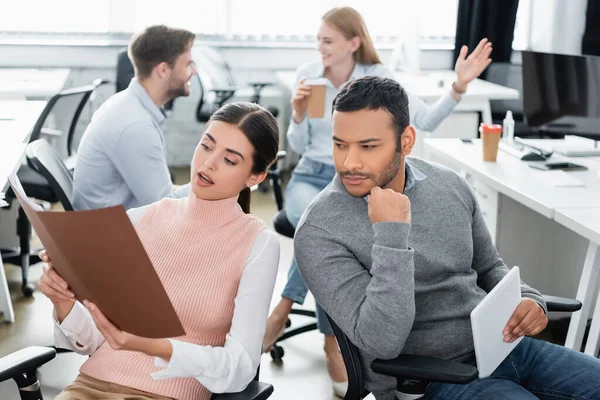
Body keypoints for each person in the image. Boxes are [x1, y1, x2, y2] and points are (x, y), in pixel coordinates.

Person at [294, 75, 600, 400]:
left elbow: (490, 268)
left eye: (368, 146)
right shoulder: (319, 229)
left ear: (406, 141)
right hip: (433, 377)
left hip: (505, 348)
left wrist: (529, 300)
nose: (349, 162)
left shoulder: (449, 185)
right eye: (340, 144)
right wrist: (391, 234)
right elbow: (381, 341)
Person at [263, 6, 493, 395]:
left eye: (329, 40)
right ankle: (332, 335)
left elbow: (427, 121)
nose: (321, 47)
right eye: (318, 40)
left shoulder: (380, 82)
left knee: (331, 234)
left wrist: (458, 87)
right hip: (315, 173)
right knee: (317, 226)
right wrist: (298, 116)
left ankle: (289, 310)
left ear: (354, 43)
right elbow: (299, 148)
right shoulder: (309, 77)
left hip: (369, 178)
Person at [40, 102, 281, 400]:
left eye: (229, 160)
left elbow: (240, 368)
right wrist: (61, 300)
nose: (208, 164)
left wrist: (152, 345)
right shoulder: (141, 219)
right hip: (89, 385)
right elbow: (96, 340)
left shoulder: (257, 243)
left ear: (254, 178)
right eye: (206, 146)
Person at [72, 25, 198, 211]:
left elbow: (159, 194)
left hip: (110, 221)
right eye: (188, 64)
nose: (194, 71)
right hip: (110, 234)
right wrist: (219, 184)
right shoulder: (135, 125)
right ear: (163, 70)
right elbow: (164, 206)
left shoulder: (127, 104)